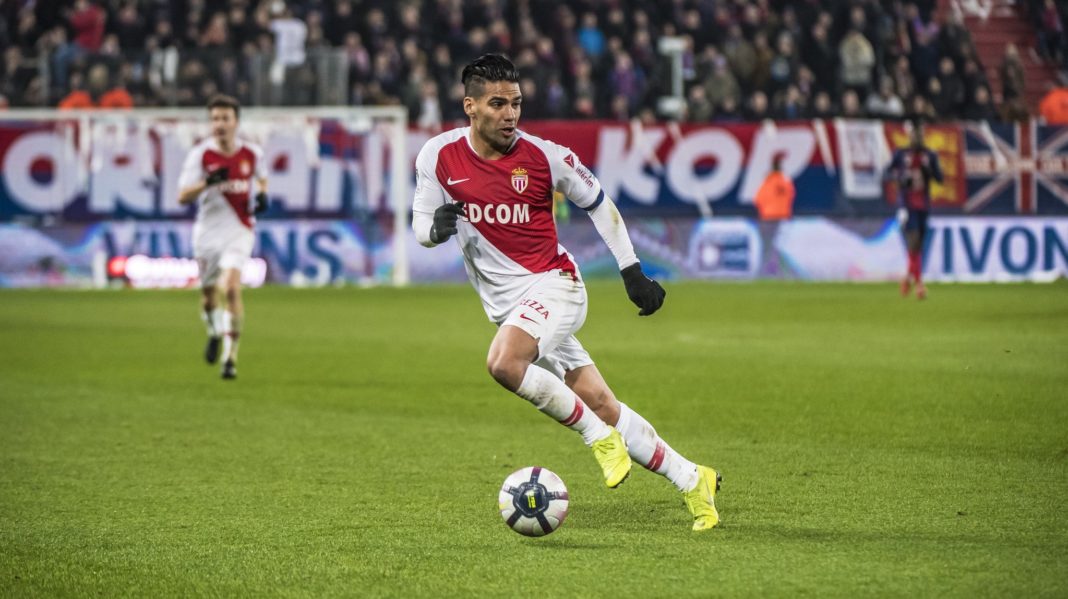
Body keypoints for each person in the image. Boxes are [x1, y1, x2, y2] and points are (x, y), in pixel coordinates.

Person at [412, 54, 721, 532]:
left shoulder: (545, 156)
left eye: (516, 103)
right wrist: (435, 229)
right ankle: (692, 479)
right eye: (498, 104)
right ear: (470, 106)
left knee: (504, 363)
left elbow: (599, 202)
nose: (511, 114)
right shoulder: (437, 156)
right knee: (601, 402)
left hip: (556, 286)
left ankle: (599, 440)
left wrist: (631, 271)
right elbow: (421, 227)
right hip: (511, 309)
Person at [177, 95, 268, 379]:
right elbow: (182, 196)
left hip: (239, 229)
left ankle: (230, 359)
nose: (219, 124)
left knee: (231, 287)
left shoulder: (252, 153)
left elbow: (262, 177)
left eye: (225, 118)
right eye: (215, 118)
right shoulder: (201, 155)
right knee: (208, 297)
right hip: (207, 233)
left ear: (236, 122)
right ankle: (215, 331)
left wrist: (262, 195)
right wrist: (207, 182)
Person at [887, 120, 942, 300]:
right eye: (914, 134)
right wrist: (900, 179)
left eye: (919, 134)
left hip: (923, 205)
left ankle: (907, 278)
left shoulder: (930, 155)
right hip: (906, 205)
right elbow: (887, 173)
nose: (916, 138)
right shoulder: (901, 154)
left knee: (918, 245)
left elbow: (940, 178)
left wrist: (929, 172)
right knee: (913, 240)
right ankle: (919, 284)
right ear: (909, 135)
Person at [754, 155, 795, 221]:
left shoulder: (767, 182)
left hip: (768, 216)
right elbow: (791, 196)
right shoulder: (787, 183)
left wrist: (766, 208)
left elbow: (758, 199)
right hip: (784, 216)